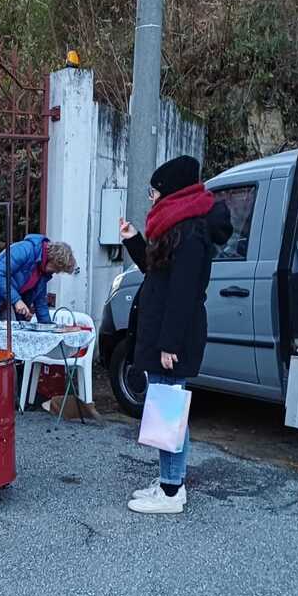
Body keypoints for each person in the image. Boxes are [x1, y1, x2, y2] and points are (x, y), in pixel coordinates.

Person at [119, 156, 232, 515]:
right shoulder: (177, 226)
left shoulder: (191, 233)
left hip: (173, 339)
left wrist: (168, 344)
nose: (151, 198)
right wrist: (134, 241)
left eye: (154, 191)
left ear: (170, 191)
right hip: (165, 335)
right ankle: (172, 481)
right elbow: (156, 272)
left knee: (168, 413)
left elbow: (183, 294)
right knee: (167, 412)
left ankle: (170, 491)